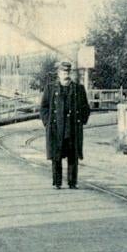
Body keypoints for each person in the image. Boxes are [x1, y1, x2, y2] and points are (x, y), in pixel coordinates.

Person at [39, 60, 90, 189]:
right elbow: (44, 107)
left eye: (67, 71)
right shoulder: (50, 88)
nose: (65, 74)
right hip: (56, 128)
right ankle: (57, 182)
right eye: (63, 71)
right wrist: (47, 122)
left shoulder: (78, 89)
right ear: (58, 73)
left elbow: (85, 107)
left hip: (72, 128)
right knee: (56, 156)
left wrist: (81, 121)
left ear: (70, 73)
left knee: (73, 155)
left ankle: (72, 182)